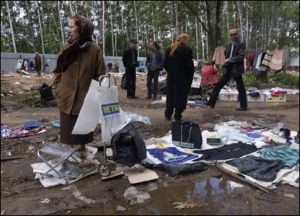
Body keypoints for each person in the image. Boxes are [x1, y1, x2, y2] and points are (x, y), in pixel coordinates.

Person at [52, 14, 106, 153]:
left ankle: (81, 160)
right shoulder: (66, 47)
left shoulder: (95, 50)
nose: (69, 30)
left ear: (82, 29)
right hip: (66, 98)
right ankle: (69, 161)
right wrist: (58, 88)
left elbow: (100, 75)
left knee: (82, 137)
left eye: (72, 26)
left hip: (85, 100)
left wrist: (94, 96)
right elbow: (58, 70)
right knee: (68, 138)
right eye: (69, 26)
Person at [206, 29, 248, 111]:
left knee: (240, 87)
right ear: (229, 36)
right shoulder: (228, 46)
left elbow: (241, 56)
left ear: (237, 34)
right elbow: (225, 55)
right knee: (219, 85)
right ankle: (211, 104)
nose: (233, 36)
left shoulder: (241, 44)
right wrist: (224, 61)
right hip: (228, 68)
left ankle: (243, 106)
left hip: (236, 68)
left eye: (235, 34)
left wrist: (229, 60)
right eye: (231, 35)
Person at [164, 33, 194, 121]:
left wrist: (171, 71)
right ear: (184, 39)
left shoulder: (169, 49)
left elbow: (165, 64)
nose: (188, 42)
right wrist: (190, 74)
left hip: (171, 77)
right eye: (187, 40)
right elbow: (189, 65)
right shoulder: (187, 49)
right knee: (180, 95)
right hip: (183, 77)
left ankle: (168, 113)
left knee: (171, 94)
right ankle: (177, 115)